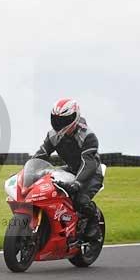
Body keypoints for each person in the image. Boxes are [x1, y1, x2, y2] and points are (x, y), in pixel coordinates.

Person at [33, 98, 103, 241]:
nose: (59, 124)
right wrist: (26, 173)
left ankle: (94, 219)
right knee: (47, 185)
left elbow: (88, 163)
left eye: (63, 120)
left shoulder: (87, 136)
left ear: (74, 118)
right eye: (56, 120)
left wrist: (77, 183)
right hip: (71, 169)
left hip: (91, 173)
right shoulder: (53, 135)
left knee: (80, 200)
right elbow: (41, 155)